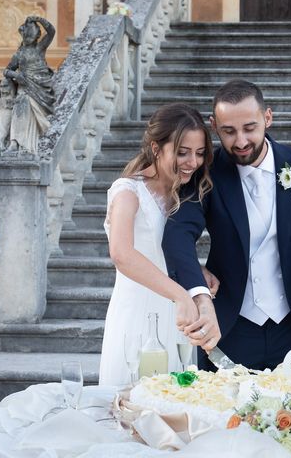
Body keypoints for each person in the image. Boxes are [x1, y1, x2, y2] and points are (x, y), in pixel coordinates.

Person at [163, 80, 291, 371]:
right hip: (228, 328)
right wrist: (200, 295)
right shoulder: (205, 172)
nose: (241, 142)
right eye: (228, 131)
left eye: (249, 128)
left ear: (267, 117)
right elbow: (178, 236)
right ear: (213, 125)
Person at [99, 103, 220, 386]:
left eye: (200, 153)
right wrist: (180, 295)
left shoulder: (185, 192)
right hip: (138, 314)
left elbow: (165, 249)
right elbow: (122, 253)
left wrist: (196, 270)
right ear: (156, 148)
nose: (193, 162)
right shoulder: (128, 191)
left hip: (177, 318)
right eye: (182, 152)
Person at [2, 15, 55, 154]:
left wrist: (40, 20)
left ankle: (26, 145)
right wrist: (16, 75)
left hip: (40, 89)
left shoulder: (40, 48)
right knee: (19, 111)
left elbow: (51, 32)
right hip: (24, 89)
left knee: (30, 116)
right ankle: (14, 143)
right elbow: (6, 70)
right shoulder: (19, 54)